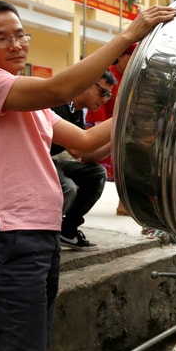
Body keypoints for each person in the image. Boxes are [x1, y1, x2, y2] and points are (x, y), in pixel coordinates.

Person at [0, 0, 176, 351]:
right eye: (1, 38)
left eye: (20, 34)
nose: (16, 45)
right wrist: (129, 35)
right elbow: (59, 88)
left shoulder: (31, 105)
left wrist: (146, 103)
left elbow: (88, 145)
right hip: (12, 237)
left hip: (38, 234)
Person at [51, 70, 117, 251]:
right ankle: (42, 236)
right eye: (103, 92)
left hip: (47, 162)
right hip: (31, 161)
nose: (105, 100)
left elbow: (86, 157)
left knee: (96, 173)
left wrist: (117, 140)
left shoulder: (76, 112)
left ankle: (68, 230)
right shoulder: (60, 105)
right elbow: (79, 147)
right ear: (86, 82)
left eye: (109, 96)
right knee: (67, 187)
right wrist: (118, 120)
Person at [86, 42, 136, 215]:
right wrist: (100, 128)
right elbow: (96, 104)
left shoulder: (132, 77)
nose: (133, 62)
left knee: (125, 165)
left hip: (119, 128)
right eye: (130, 58)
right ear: (121, 56)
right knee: (91, 162)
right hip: (100, 125)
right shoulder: (107, 76)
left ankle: (123, 204)